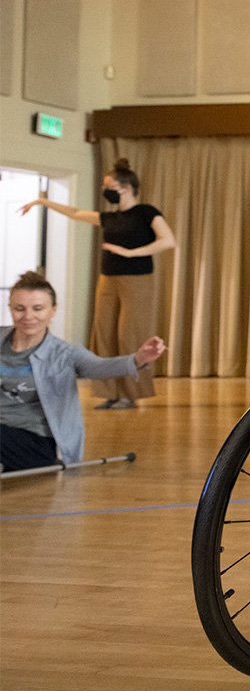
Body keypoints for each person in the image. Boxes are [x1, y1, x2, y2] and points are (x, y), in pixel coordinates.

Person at [19, 158, 175, 409]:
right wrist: (42, 201)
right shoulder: (109, 217)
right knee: (104, 335)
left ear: (125, 187)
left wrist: (131, 253)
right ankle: (110, 392)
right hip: (107, 280)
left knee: (129, 335)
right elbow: (76, 213)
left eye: (109, 185)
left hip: (137, 281)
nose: (106, 190)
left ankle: (130, 393)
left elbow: (168, 240)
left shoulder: (146, 212)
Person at [1, 271, 167, 473]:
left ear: (53, 310)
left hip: (37, 443)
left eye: (38, 308)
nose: (28, 316)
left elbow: (100, 367)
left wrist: (138, 358)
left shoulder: (65, 354)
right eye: (19, 308)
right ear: (10, 308)